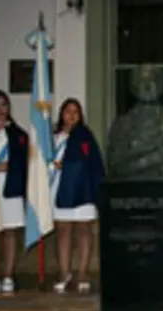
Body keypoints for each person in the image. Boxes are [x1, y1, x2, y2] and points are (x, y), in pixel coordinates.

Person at [50, 98, 106, 294]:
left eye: (76, 112)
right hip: (59, 190)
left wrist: (71, 167)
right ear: (61, 114)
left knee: (84, 230)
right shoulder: (53, 136)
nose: (72, 115)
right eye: (68, 111)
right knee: (63, 231)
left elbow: (93, 164)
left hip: (83, 191)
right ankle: (64, 272)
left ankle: (83, 272)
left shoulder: (85, 136)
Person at [0, 90, 28, 296]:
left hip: (10, 189)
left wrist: (8, 166)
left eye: (4, 105)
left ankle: (8, 275)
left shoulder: (18, 134)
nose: (0, 110)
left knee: (10, 232)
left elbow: (23, 163)